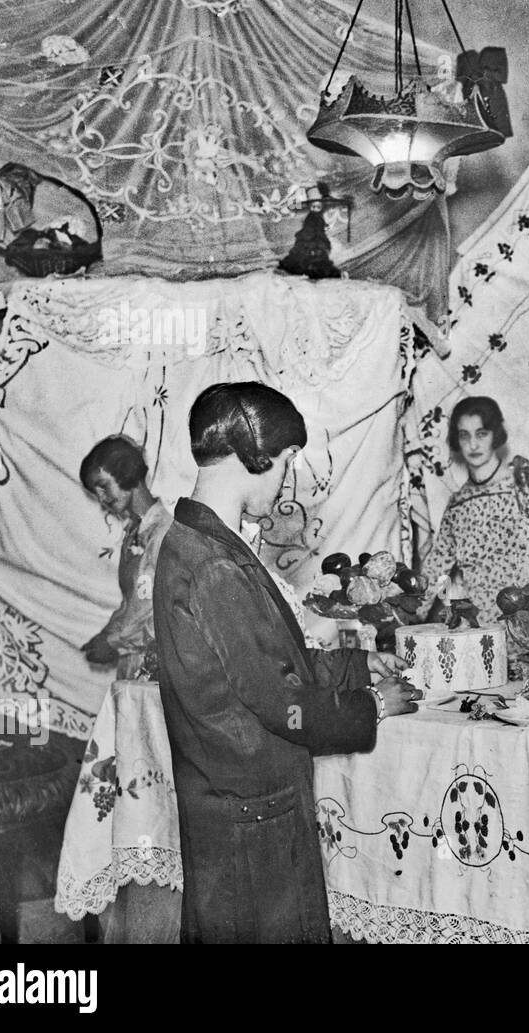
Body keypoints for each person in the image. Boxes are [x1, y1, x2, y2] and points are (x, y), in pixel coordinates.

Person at [152, 382, 421, 943]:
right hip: (251, 815)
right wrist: (369, 706)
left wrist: (355, 665)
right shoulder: (214, 566)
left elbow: (269, 666)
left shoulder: (201, 543)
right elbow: (282, 703)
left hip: (235, 809)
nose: (285, 480)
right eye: (284, 462)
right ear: (255, 457)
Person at [420, 396, 529, 623]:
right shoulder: (457, 504)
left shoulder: (522, 485)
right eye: (464, 435)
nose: (473, 444)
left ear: (495, 435)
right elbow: (435, 570)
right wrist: (403, 618)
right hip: (484, 630)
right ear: (456, 440)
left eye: (481, 434)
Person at [79, 436, 171, 680]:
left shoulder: (164, 532)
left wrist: (111, 641)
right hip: (134, 663)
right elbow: (132, 603)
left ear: (126, 472)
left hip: (161, 668)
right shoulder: (133, 534)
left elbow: (154, 607)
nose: (101, 498)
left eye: (103, 486)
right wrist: (106, 635)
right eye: (95, 491)